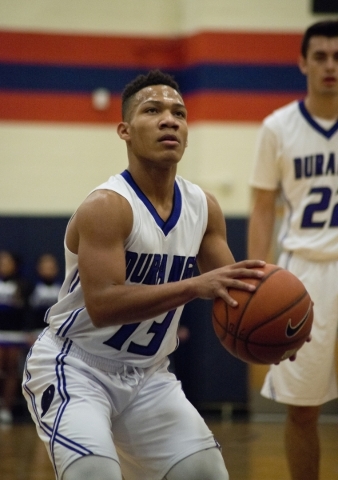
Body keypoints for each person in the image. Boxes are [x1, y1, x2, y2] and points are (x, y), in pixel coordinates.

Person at [22, 69, 266, 480]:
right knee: (94, 474)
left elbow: (236, 291)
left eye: (179, 113)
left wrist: (280, 333)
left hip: (149, 374)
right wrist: (194, 286)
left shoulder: (204, 207)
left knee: (207, 474)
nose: (169, 119)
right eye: (152, 110)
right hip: (76, 367)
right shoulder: (107, 206)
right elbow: (103, 305)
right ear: (125, 131)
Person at [247, 20, 338, 480]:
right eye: (320, 56)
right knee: (303, 409)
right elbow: (262, 208)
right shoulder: (277, 127)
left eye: (337, 57)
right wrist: (252, 279)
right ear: (302, 62)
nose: (329, 66)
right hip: (305, 273)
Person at [0, 250, 31, 424]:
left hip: (14, 333)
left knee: (11, 370)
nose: (3, 265)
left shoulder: (22, 285)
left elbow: (26, 311)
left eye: (7, 262)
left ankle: (6, 409)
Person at [27, 253, 61, 342]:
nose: (48, 271)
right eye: (45, 267)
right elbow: (28, 311)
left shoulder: (62, 288)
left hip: (57, 332)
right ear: (39, 269)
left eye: (51, 268)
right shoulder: (32, 288)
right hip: (36, 332)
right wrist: (29, 331)